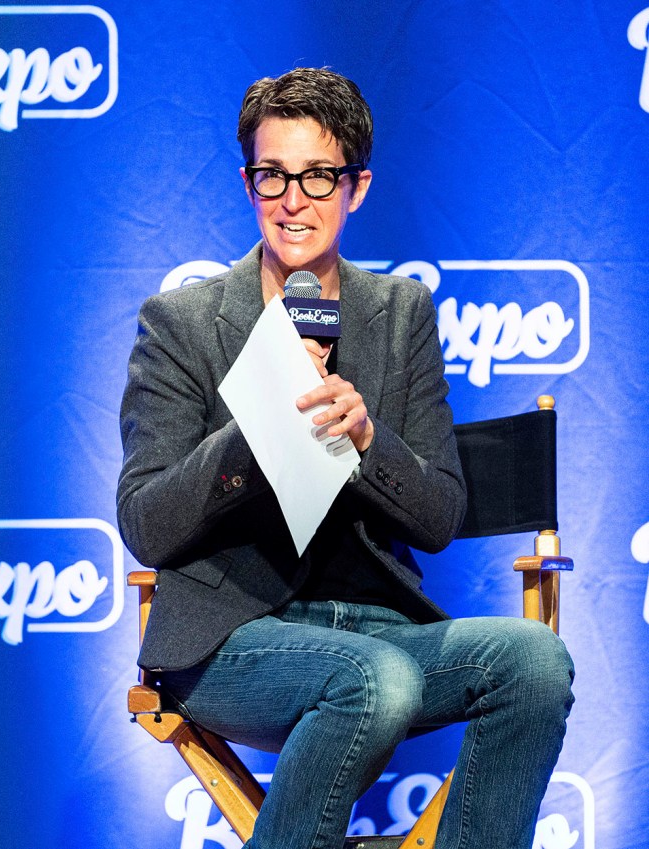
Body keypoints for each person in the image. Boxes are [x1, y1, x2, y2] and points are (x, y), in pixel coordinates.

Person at [117, 67, 574, 849]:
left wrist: (368, 440)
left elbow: (438, 517)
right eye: (273, 175)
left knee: (533, 659)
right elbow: (144, 522)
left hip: (378, 627)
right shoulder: (183, 322)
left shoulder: (400, 315)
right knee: (374, 681)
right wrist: (252, 428)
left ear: (356, 187)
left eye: (319, 176)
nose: (294, 200)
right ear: (247, 181)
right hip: (234, 639)